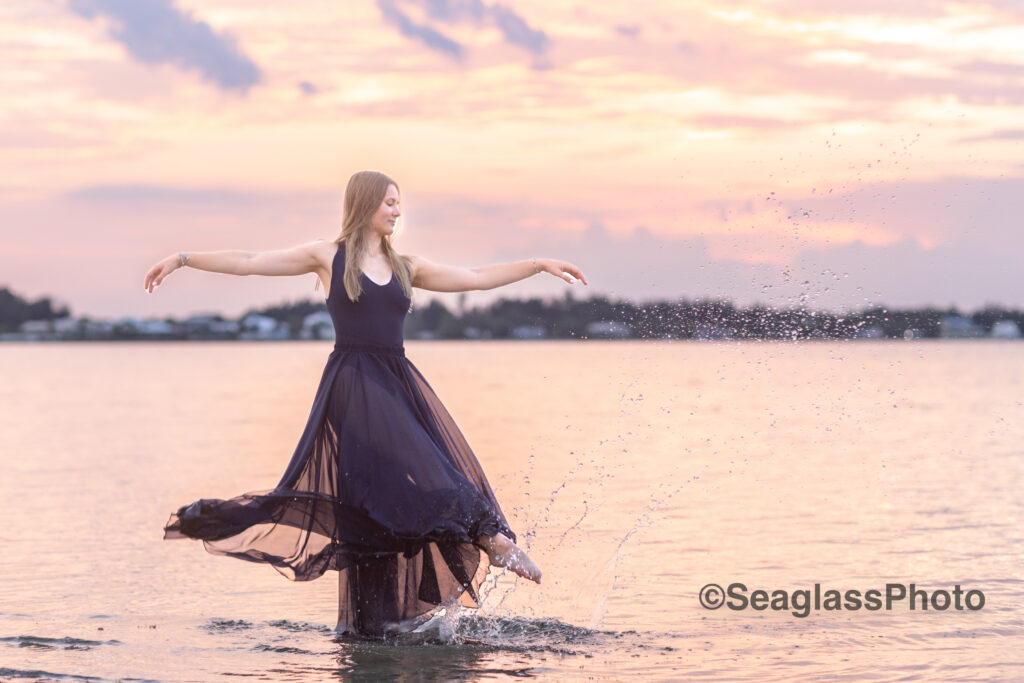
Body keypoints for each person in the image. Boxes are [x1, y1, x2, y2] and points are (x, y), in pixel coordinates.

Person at [144, 169, 589, 638]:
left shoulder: (406, 266)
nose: (398, 211)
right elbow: (251, 261)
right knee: (431, 478)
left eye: (399, 203)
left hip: (398, 385)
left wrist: (538, 264)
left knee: (379, 508)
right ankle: (490, 540)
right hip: (354, 389)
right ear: (367, 203)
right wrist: (184, 258)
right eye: (391, 202)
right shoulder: (327, 256)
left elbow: (476, 278)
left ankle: (380, 627)